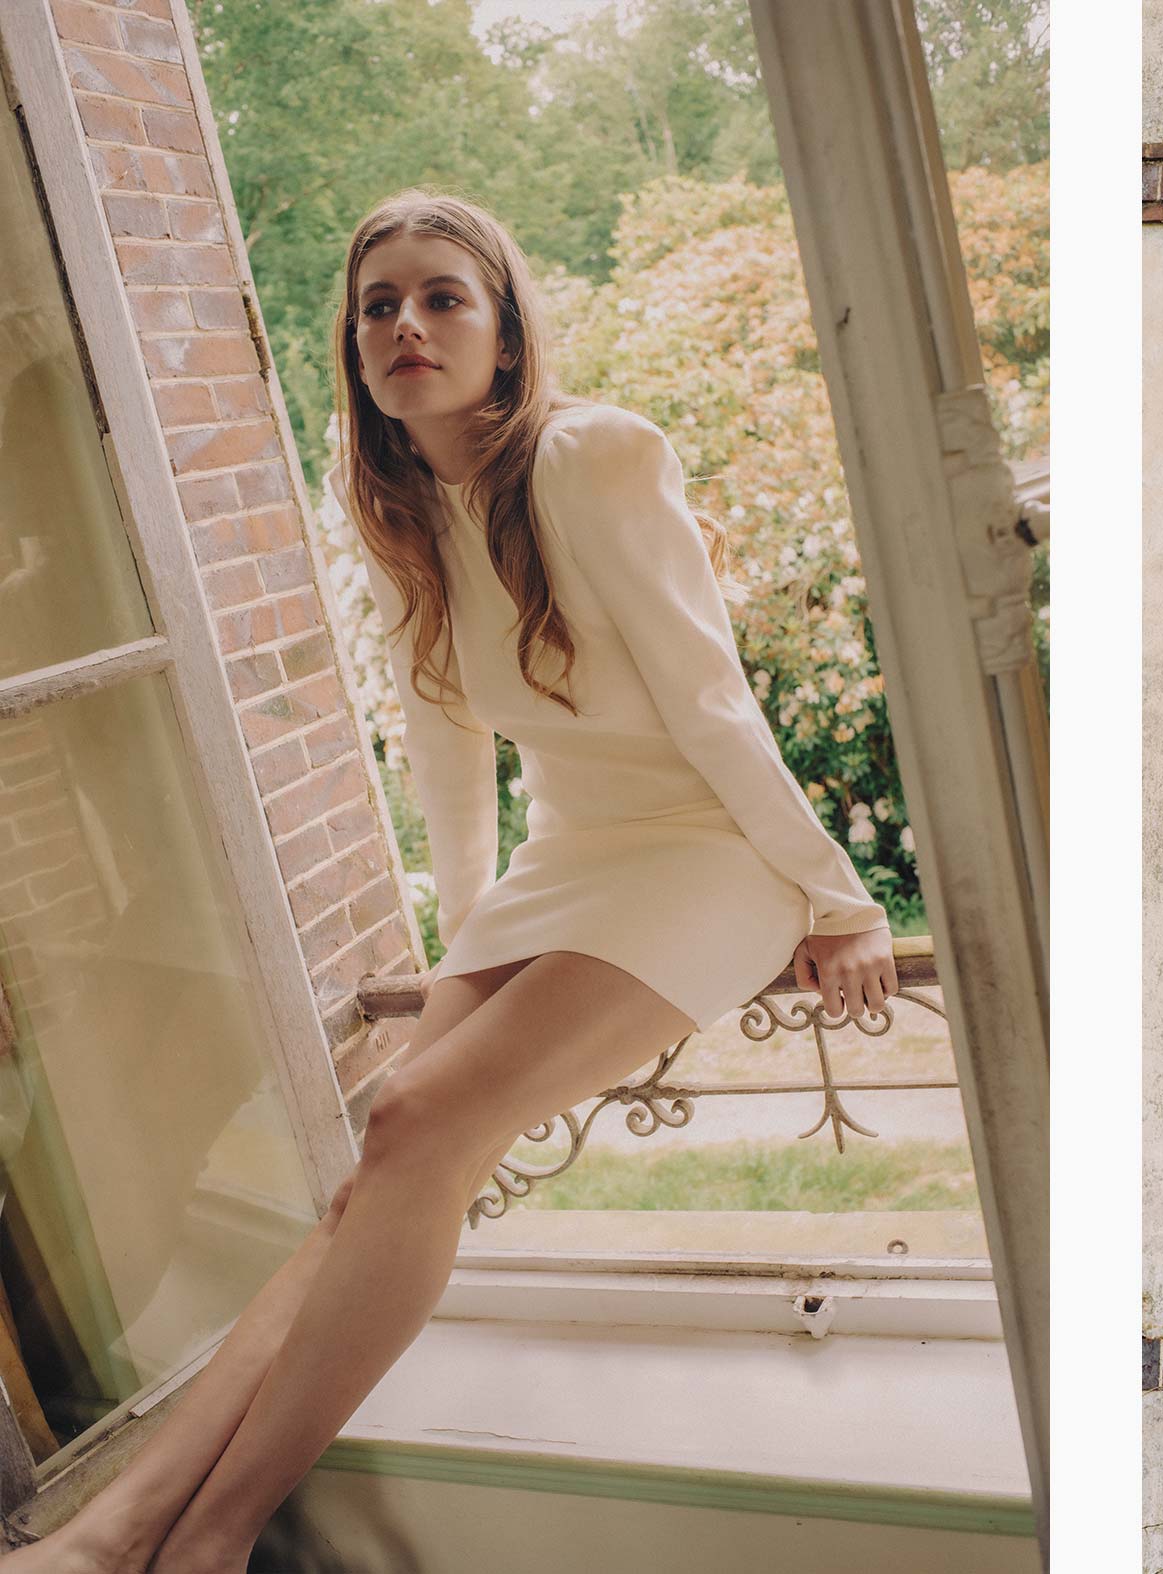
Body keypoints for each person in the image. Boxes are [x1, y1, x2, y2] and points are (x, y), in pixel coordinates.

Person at [6, 190, 896, 1574]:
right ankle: (122, 1531)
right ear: (355, 351)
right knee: (386, 1161)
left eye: (442, 297)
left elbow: (712, 701)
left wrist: (836, 895)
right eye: (379, 306)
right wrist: (462, 930)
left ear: (504, 327)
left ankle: (208, 1534)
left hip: (704, 852)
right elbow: (441, 729)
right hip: (574, 855)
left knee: (417, 1109)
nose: (407, 324)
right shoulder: (399, 503)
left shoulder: (595, 456)